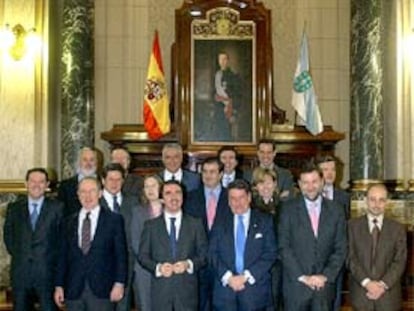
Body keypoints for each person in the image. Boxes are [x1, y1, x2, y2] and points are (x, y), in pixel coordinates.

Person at [278, 163, 347, 311]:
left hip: (324, 287)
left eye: (314, 181)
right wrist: (303, 277)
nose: (310, 187)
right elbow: (283, 247)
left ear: (322, 182)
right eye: (305, 182)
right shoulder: (287, 209)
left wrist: (325, 276)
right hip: (296, 287)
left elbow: (341, 248)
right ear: (299, 185)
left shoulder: (336, 210)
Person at [54, 177, 128, 311]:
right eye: (83, 191)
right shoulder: (67, 222)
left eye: (92, 191)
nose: (87, 196)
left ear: (100, 193)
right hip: (73, 289)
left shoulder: (114, 220)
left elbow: (121, 255)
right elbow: (62, 256)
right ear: (78, 195)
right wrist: (59, 285)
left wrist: (119, 283)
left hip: (103, 289)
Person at [138, 180, 208, 310]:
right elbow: (142, 256)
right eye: (168, 193)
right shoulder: (150, 226)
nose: (174, 197)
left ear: (183, 196)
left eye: (178, 192)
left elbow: (204, 255)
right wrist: (158, 268)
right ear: (162, 198)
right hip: (161, 292)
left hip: (187, 293)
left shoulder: (195, 224)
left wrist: (188, 264)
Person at [209, 179, 278, 311]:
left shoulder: (265, 221)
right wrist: (229, 277)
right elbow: (212, 253)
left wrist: (245, 277)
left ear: (249, 197)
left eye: (241, 198)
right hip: (225, 294)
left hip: (255, 293)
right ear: (228, 201)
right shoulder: (219, 222)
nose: (237, 203)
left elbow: (270, 253)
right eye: (233, 199)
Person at [4, 168, 64, 311]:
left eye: (41, 181)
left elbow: (62, 241)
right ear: (26, 183)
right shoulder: (14, 208)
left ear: (47, 184)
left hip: (47, 275)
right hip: (21, 275)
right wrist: (23, 255)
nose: (37, 185)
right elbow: (9, 238)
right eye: (33, 181)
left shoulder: (58, 208)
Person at [348, 184, 407, 311]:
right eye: (372, 199)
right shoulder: (351, 227)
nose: (377, 204)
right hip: (361, 295)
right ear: (366, 201)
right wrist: (367, 283)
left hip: (388, 297)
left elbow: (399, 262)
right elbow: (350, 258)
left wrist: (382, 286)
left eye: (381, 200)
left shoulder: (398, 229)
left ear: (387, 202)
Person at [184, 157, 232, 311]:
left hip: (224, 263)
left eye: (212, 172)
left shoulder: (232, 197)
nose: (208, 175)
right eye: (204, 171)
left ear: (221, 174)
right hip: (198, 263)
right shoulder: (190, 198)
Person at [99, 163, 138, 311]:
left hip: (128, 265)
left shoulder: (134, 202)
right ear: (103, 181)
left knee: (123, 306)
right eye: (111, 179)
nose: (115, 183)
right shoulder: (95, 203)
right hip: (101, 266)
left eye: (118, 179)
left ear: (124, 180)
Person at [315, 154, 351, 311]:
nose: (329, 173)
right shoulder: (308, 194)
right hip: (312, 258)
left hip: (335, 259)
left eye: (332, 169)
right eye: (325, 169)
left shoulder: (344, 197)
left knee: (334, 301)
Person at [250, 167, 285, 310]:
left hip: (279, 263)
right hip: (255, 262)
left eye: (269, 182)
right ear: (255, 186)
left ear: (275, 184)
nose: (265, 187)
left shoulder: (285, 207)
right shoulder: (249, 208)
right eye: (261, 183)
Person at [131, 174, 163, 311]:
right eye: (146, 186)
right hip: (145, 269)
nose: (150, 189)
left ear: (161, 187)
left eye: (153, 185)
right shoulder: (137, 211)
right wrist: (153, 264)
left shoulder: (172, 209)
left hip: (168, 267)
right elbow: (136, 242)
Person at [57, 147, 98, 216]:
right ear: (79, 162)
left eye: (92, 160)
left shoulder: (104, 184)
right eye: (85, 160)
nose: (88, 163)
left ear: (97, 162)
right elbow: (61, 213)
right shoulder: (65, 186)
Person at [213, 51, 242, 141]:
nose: (222, 61)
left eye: (224, 59)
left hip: (230, 108)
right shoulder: (216, 74)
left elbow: (237, 94)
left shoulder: (233, 76)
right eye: (220, 59)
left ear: (228, 61)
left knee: (229, 133)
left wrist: (232, 108)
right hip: (218, 109)